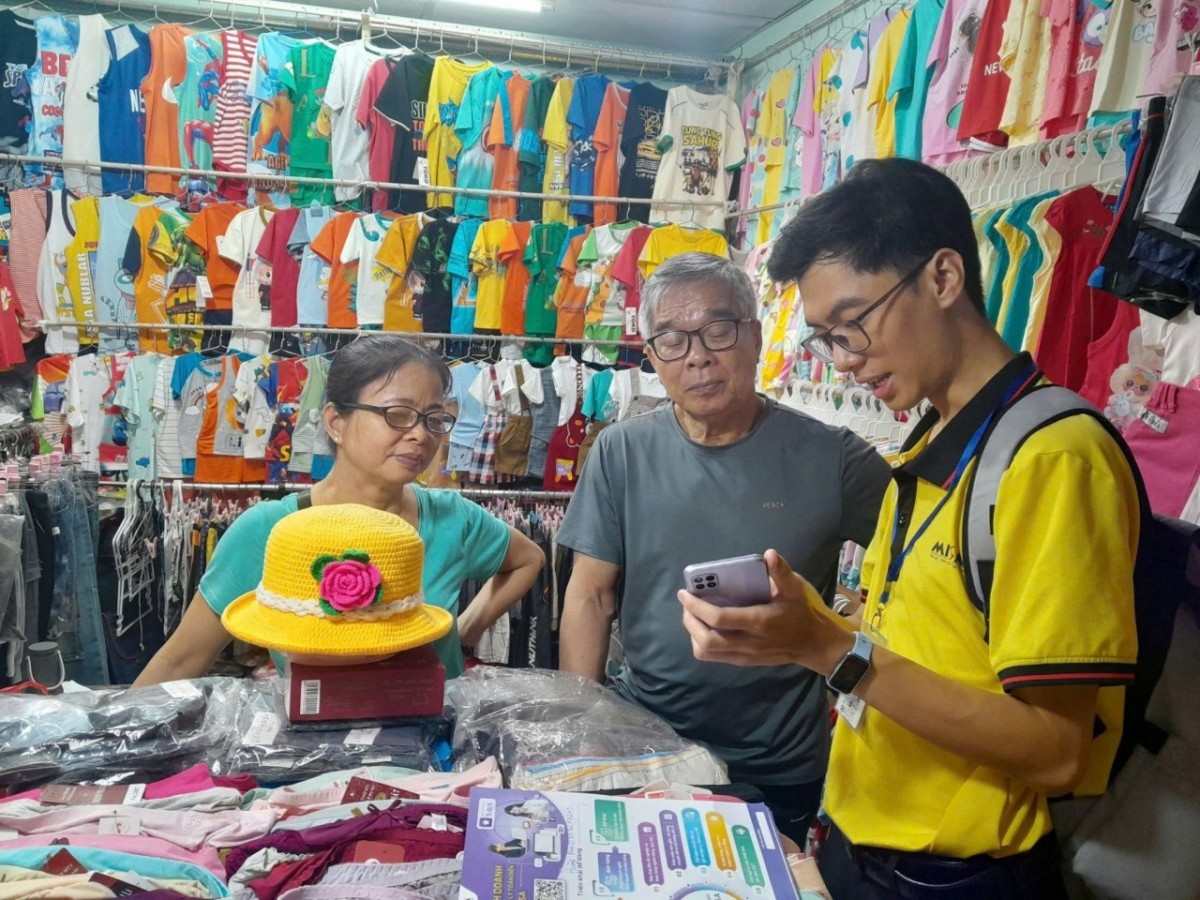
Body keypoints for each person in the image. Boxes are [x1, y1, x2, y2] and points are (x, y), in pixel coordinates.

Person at [679, 159, 1139, 898]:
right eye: (827, 338)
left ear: (944, 277)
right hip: (861, 844)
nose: (845, 361)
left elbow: (1057, 751)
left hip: (953, 878)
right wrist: (804, 625)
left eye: (853, 325)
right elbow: (929, 647)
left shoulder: (1052, 457)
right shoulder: (931, 442)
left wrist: (828, 648)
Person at [557, 252, 891, 844]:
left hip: (777, 763)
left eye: (718, 330)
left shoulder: (836, 459)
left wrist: (851, 631)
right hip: (648, 745)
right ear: (652, 355)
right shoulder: (621, 452)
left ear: (756, 337)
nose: (698, 356)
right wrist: (582, 734)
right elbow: (591, 595)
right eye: (672, 340)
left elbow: (914, 573)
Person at [134, 335, 545, 686]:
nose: (420, 435)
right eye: (397, 414)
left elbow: (528, 559)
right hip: (313, 749)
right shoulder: (269, 530)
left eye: (433, 418)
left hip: (433, 746)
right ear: (335, 422)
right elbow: (181, 660)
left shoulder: (452, 518)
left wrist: (461, 632)